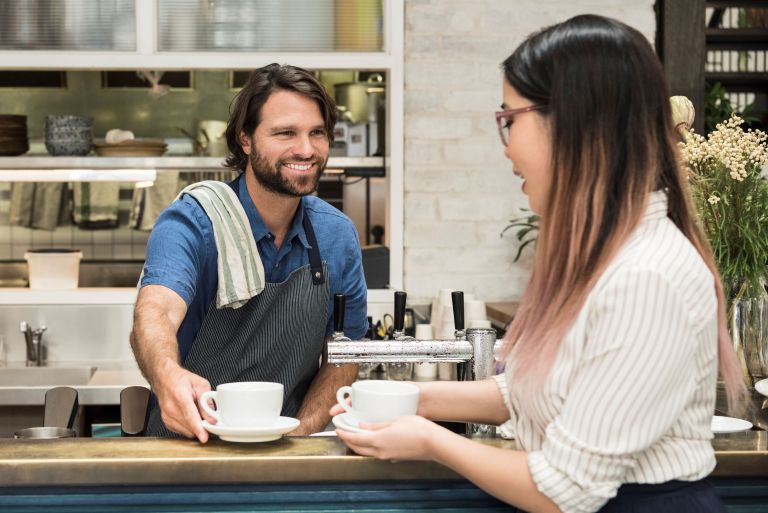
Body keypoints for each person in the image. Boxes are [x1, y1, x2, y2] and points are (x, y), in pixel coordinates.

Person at [333, 15, 744, 513]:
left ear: (575, 121)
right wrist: (413, 401)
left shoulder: (647, 277)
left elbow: (562, 489)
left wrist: (431, 440)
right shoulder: (606, 256)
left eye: (510, 118)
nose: (506, 147)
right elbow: (542, 388)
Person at [132, 63, 368, 441]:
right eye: (286, 133)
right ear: (246, 139)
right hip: (189, 447)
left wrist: (300, 433)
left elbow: (347, 354)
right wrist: (166, 374)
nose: (306, 149)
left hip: (286, 454)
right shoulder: (194, 222)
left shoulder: (336, 235)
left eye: (317, 133)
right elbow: (156, 309)